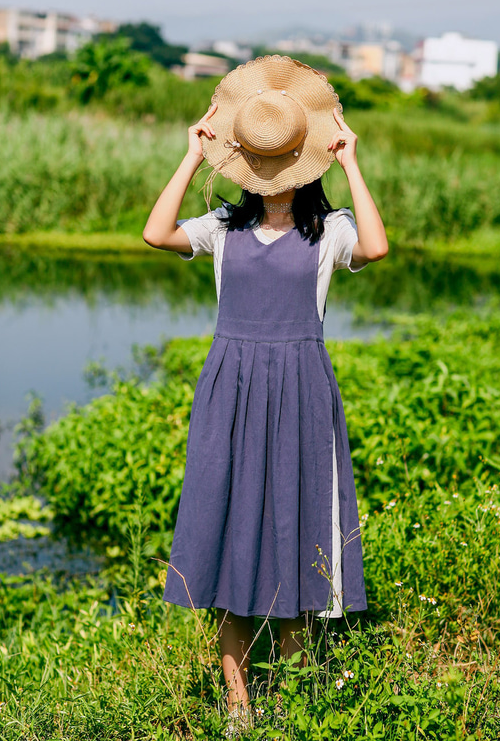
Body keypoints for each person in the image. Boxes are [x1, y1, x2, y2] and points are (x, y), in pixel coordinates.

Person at [143, 55, 388, 730]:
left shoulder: (329, 228)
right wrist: (192, 157)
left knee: (295, 526)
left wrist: (352, 165)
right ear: (243, 156)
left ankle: (292, 691)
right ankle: (237, 700)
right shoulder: (224, 227)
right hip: (233, 390)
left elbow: (377, 246)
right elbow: (155, 232)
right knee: (228, 529)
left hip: (301, 391)